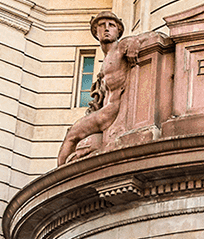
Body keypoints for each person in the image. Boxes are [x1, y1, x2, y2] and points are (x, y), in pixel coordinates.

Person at [57, 12, 142, 166]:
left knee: (72, 134)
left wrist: (133, 42)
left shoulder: (121, 47)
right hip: (105, 110)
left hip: (111, 111)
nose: (107, 29)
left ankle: (58, 178)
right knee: (73, 137)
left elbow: (146, 38)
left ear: (119, 31)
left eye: (111, 25)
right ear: (96, 32)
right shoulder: (107, 58)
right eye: (102, 26)